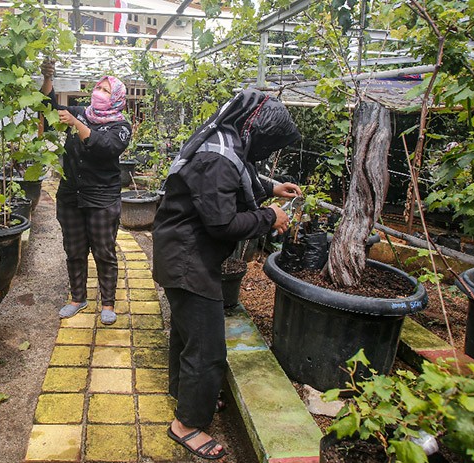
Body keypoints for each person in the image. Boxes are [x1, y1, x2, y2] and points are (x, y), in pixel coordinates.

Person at [152, 89, 302, 460]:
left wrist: (271, 187)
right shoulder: (217, 154)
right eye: (266, 143)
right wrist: (271, 217)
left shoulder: (225, 137)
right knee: (207, 347)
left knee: (188, 334)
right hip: (188, 259)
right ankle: (186, 424)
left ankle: (185, 393)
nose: (264, 152)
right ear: (255, 128)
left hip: (179, 251)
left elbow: (239, 171)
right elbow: (221, 222)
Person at [40, 60, 132, 325]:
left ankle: (108, 303)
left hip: (102, 198)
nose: (98, 92)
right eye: (98, 87)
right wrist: (48, 78)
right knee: (75, 249)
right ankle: (77, 298)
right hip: (71, 195)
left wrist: (76, 124)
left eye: (105, 90)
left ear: (115, 98)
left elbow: (104, 147)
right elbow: (48, 109)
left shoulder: (121, 126)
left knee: (104, 251)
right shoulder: (81, 111)